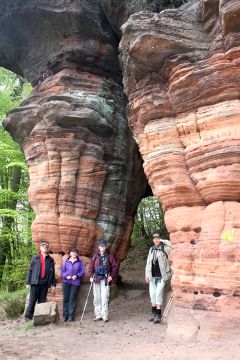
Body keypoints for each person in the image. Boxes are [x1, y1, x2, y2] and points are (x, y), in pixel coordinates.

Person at [145, 233, 172, 323]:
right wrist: (146, 275)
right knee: (152, 295)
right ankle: (153, 313)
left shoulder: (164, 248)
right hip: (152, 277)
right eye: (154, 239)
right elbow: (148, 263)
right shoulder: (151, 249)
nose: (156, 240)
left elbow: (171, 245)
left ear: (159, 239)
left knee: (158, 295)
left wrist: (163, 241)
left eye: (157, 239)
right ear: (153, 240)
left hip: (161, 277)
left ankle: (158, 315)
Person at [25, 242, 56, 320]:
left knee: (42, 302)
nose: (45, 248)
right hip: (35, 283)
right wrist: (28, 282)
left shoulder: (51, 260)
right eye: (43, 246)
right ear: (40, 248)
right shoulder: (35, 258)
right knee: (32, 300)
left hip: (45, 283)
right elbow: (30, 270)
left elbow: (52, 272)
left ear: (48, 248)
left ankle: (40, 317)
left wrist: (53, 284)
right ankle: (28, 317)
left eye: (46, 247)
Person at [89, 240, 118, 322]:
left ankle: (104, 315)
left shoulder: (110, 257)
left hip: (105, 279)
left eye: (104, 246)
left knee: (104, 297)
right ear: (99, 247)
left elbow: (114, 267)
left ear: (106, 247)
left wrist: (111, 276)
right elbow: (91, 268)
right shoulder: (95, 257)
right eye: (101, 246)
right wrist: (91, 276)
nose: (102, 247)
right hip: (96, 279)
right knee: (97, 298)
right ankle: (98, 315)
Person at [61, 248, 85, 321]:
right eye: (72, 252)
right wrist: (66, 276)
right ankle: (65, 315)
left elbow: (82, 271)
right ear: (70, 253)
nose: (74, 253)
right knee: (66, 298)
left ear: (77, 254)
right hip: (66, 282)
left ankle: (71, 316)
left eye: (75, 252)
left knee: (72, 298)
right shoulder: (66, 261)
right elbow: (62, 271)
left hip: (75, 282)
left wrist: (77, 276)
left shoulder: (79, 262)